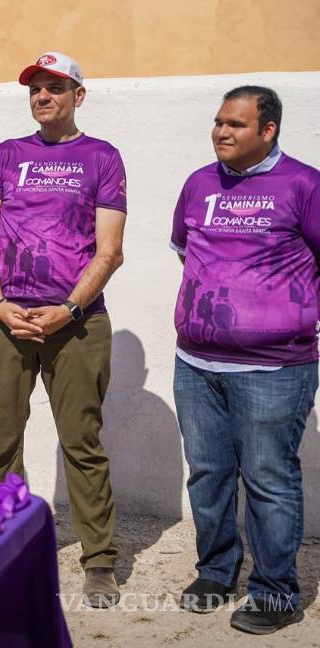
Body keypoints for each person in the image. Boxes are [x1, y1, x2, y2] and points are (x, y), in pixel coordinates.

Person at [0, 52, 127, 607]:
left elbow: (110, 251)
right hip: (5, 317)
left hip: (77, 323)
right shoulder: (7, 155)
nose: (43, 96)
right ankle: (1, 548)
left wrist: (70, 309)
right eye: (36, 88)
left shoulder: (102, 157)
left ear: (78, 95)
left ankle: (99, 561)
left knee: (81, 441)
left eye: (55, 87)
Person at [171, 86, 318, 635]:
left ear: (268, 130)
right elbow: (188, 250)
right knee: (208, 475)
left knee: (268, 480)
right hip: (197, 363)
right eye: (217, 122)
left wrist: (279, 315)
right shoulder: (199, 184)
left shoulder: (304, 184)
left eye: (235, 124)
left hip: (275, 368)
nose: (222, 132)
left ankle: (276, 592)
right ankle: (215, 573)